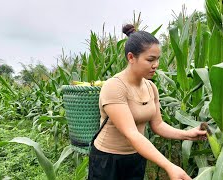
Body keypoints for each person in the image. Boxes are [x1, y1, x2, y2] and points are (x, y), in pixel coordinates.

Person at [88, 24, 207, 180]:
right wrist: (168, 165)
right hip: (108, 160)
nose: (156, 65)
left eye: (157, 59)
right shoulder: (114, 87)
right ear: (131, 57)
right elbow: (132, 134)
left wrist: (187, 135)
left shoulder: (150, 87)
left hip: (136, 156)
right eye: (150, 59)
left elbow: (158, 125)